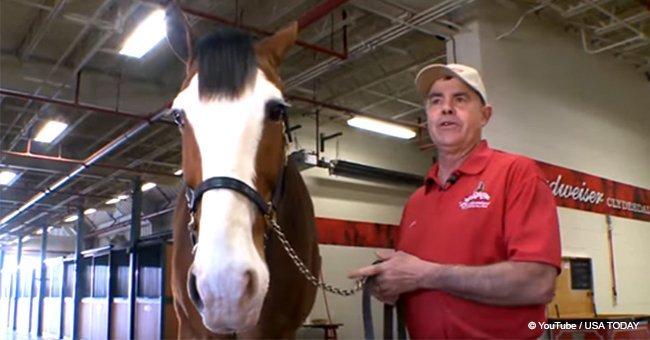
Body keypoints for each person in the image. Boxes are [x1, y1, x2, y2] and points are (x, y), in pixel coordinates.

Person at [349, 63, 562, 339]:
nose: (446, 108)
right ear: (427, 116)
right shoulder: (417, 200)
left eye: (460, 99)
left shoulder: (517, 175)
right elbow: (414, 281)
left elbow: (537, 283)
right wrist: (391, 283)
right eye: (436, 101)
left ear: (485, 116)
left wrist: (424, 274)